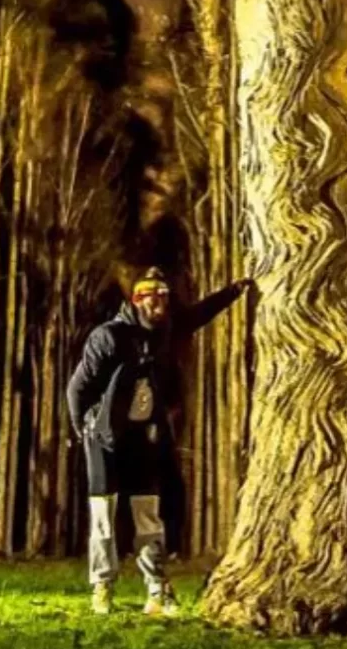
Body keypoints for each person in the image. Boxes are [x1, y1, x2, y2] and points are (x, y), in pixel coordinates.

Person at [65, 263, 251, 615]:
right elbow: (78, 387)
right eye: (152, 299)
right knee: (103, 513)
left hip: (143, 436)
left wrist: (235, 290)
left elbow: (199, 314)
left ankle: (156, 590)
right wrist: (83, 427)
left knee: (148, 513)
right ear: (137, 301)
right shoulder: (109, 336)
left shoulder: (166, 330)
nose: (160, 306)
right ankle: (102, 587)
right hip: (105, 437)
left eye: (164, 299)